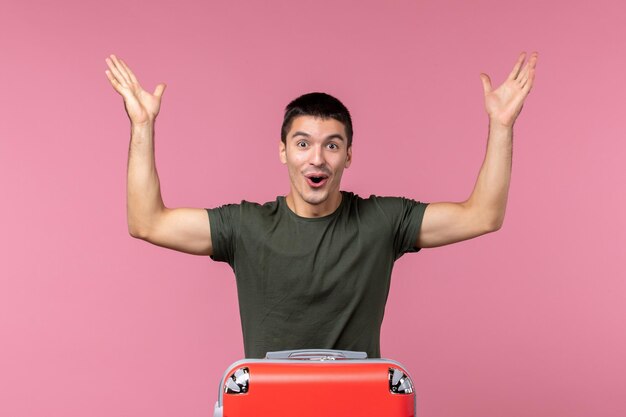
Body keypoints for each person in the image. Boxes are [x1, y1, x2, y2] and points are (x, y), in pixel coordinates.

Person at [104, 52, 538, 358]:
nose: (317, 158)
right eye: (303, 143)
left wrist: (501, 126)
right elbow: (147, 223)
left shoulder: (384, 220)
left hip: (360, 407)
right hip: (269, 406)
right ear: (283, 152)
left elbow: (483, 215)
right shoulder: (245, 226)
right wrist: (141, 124)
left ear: (348, 155)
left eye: (332, 145)